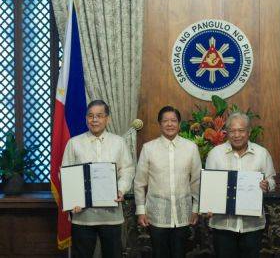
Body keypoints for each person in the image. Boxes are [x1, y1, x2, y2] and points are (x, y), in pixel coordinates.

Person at [62, 99, 135, 258]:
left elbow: (128, 170)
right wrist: (73, 198)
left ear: (107, 118)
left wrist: (121, 189)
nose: (94, 120)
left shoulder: (119, 142)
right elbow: (65, 174)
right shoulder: (74, 143)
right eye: (90, 116)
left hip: (112, 215)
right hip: (83, 216)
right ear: (86, 118)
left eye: (99, 116)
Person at [134, 106, 202, 258]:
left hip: (183, 214)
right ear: (160, 124)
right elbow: (139, 183)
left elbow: (197, 181)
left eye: (173, 121)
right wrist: (140, 211)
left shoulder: (191, 148)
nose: (169, 124)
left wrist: (195, 208)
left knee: (180, 254)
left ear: (179, 124)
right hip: (156, 215)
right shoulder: (149, 148)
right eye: (165, 121)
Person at [205, 112, 276, 258]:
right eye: (232, 131)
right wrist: (208, 205)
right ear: (226, 133)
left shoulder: (262, 153)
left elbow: (272, 180)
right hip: (223, 224)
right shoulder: (215, 154)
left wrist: (267, 184)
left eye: (241, 130)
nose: (237, 135)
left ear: (249, 132)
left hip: (252, 225)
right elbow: (208, 185)